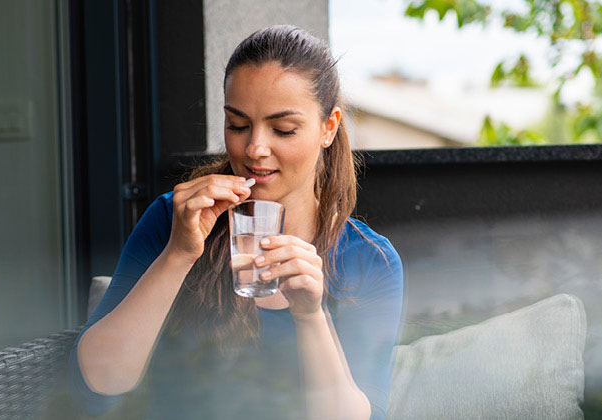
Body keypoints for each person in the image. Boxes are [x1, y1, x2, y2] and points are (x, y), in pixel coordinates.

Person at [69, 25, 404, 420]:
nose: (254, 149)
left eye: (283, 129)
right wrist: (178, 254)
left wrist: (311, 315)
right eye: (238, 125)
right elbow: (100, 381)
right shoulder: (172, 220)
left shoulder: (369, 260)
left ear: (328, 128)